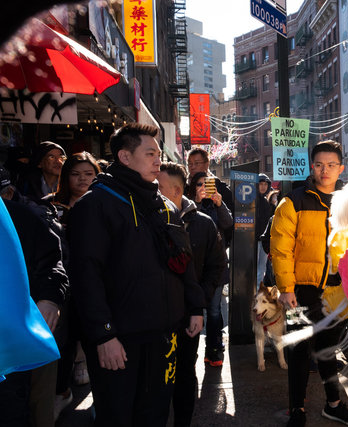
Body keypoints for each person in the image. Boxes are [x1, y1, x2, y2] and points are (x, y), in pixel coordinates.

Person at [67, 123, 205, 426]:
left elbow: (183, 261)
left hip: (163, 334)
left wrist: (195, 307)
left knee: (154, 413)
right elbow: (85, 275)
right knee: (117, 415)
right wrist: (103, 334)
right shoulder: (96, 205)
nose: (158, 160)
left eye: (158, 153)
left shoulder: (163, 205)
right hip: (119, 340)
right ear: (125, 157)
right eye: (150, 153)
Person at [271, 140, 348, 427]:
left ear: (341, 168)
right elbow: (280, 247)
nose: (325, 170)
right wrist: (286, 289)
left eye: (331, 165)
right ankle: (297, 410)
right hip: (301, 290)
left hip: (337, 291)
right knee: (299, 350)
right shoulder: (294, 201)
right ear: (312, 167)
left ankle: (333, 405)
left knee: (328, 350)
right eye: (320, 164)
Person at [158, 162, 227, 427]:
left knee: (185, 371)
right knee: (158, 375)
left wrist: (201, 299)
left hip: (189, 314)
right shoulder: (149, 217)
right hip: (155, 315)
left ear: (175, 190)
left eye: (159, 187)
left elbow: (217, 265)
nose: (154, 191)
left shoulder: (203, 223)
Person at [0, 196, 68, 427]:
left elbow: (52, 261)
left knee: (24, 411)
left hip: (19, 343)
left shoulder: (16, 215)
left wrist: (50, 299)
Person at [47, 152, 101, 419]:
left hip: (96, 283)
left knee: (95, 338)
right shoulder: (52, 206)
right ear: (66, 177)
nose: (81, 179)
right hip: (64, 284)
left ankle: (99, 397)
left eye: (88, 174)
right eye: (75, 174)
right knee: (63, 340)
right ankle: (61, 391)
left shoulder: (105, 206)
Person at [186, 171, 233, 367]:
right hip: (193, 267)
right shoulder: (187, 204)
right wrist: (196, 203)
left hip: (215, 268)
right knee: (191, 311)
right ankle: (190, 352)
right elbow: (185, 224)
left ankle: (213, 349)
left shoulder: (217, 204)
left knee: (214, 311)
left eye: (207, 184)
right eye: (199, 184)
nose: (203, 188)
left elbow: (228, 222)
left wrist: (219, 204)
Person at [256, 173, 272, 286]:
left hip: (264, 241)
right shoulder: (251, 200)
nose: (263, 186)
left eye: (265, 184)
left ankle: (258, 293)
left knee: (261, 269)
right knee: (255, 269)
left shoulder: (266, 202)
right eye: (260, 184)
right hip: (254, 241)